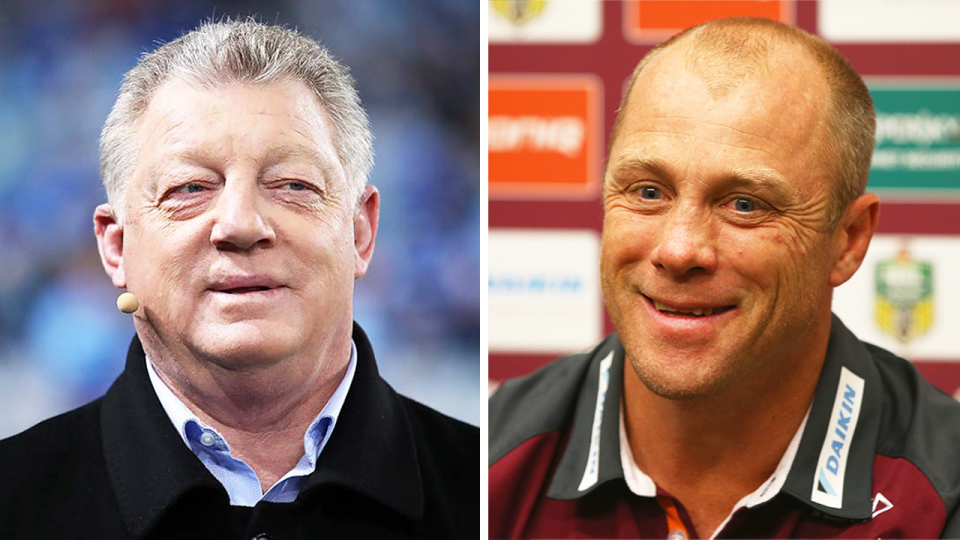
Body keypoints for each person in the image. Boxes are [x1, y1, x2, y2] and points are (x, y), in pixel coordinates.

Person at [0, 20, 478, 539]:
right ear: (116, 247)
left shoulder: (507, 501)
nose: (241, 224)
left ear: (360, 234)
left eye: (293, 184)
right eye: (189, 188)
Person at [489, 17, 960, 539]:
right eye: (648, 192)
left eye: (744, 204)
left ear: (847, 240)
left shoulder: (941, 495)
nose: (679, 249)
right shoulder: (490, 461)